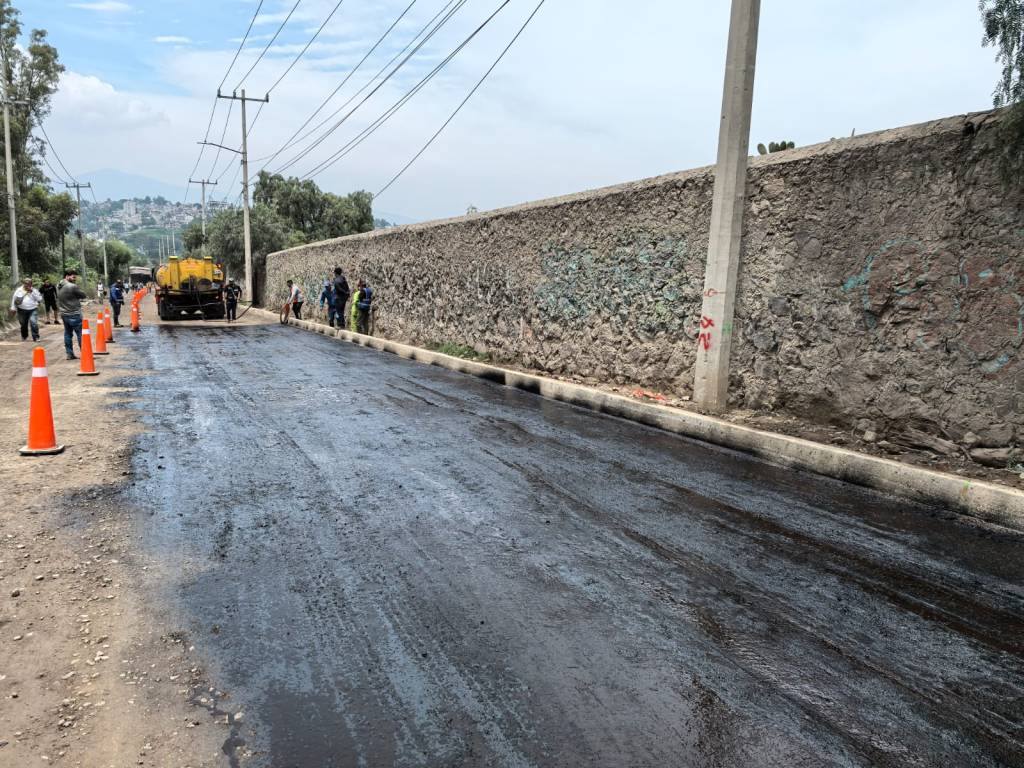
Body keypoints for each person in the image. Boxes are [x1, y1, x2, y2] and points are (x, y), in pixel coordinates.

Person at [58, 269, 87, 360]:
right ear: (67, 276)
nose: (75, 279)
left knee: (67, 333)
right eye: (73, 277)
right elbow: (83, 295)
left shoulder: (59, 285)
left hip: (64, 313)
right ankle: (85, 354)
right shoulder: (72, 286)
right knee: (80, 333)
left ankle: (69, 354)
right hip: (74, 313)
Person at [10, 278, 42, 342]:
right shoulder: (19, 290)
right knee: (23, 324)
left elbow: (39, 299)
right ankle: (24, 336)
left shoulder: (34, 290)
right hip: (21, 310)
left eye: (29, 284)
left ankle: (36, 337)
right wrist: (13, 308)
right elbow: (14, 299)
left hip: (33, 309)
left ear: (31, 284)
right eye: (26, 283)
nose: (27, 285)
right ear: (23, 283)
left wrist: (32, 292)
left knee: (33, 322)